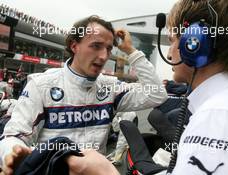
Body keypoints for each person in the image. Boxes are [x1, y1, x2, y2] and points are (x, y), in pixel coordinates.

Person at [65, 0, 228, 174]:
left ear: (195, 44)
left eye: (172, 40)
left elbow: (155, 93)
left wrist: (106, 172)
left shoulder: (219, 116)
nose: (169, 54)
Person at [0, 15, 167, 174]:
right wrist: (13, 153)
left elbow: (157, 94)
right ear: (74, 46)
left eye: (109, 49)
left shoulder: (110, 87)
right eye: (96, 46)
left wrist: (131, 51)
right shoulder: (41, 85)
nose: (103, 56)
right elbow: (13, 136)